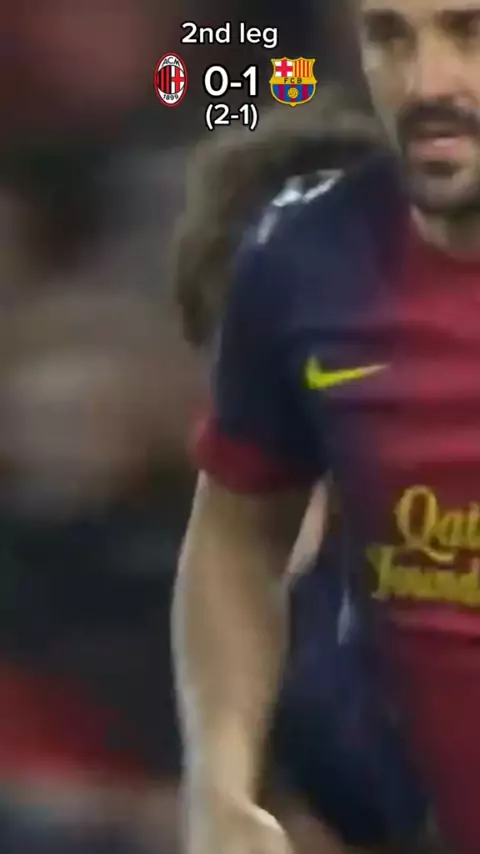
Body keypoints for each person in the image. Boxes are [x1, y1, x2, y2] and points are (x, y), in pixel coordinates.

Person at [172, 0, 480, 850]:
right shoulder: (302, 255)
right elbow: (237, 534)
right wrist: (220, 789)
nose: (428, 82)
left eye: (469, 32)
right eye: (389, 36)